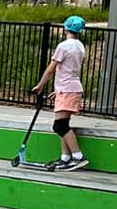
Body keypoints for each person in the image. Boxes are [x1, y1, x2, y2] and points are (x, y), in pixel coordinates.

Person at [29, 15, 89, 170]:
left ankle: (78, 156)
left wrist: (40, 85)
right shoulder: (80, 46)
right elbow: (70, 69)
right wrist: (58, 90)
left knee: (59, 126)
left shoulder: (63, 46)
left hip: (67, 88)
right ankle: (65, 157)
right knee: (64, 124)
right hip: (71, 88)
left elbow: (51, 68)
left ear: (66, 28)